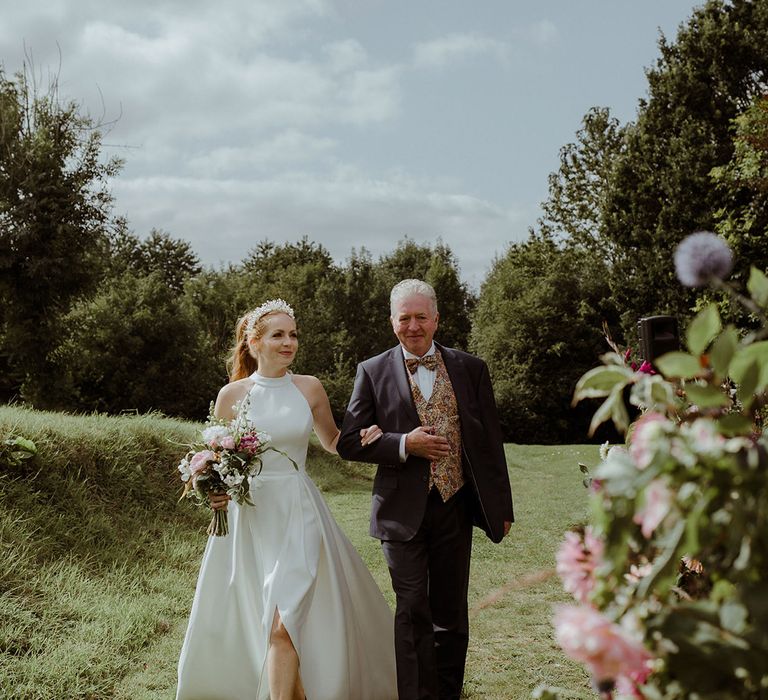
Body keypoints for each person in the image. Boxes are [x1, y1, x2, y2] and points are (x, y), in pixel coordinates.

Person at [176, 299, 397, 700]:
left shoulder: (309, 388)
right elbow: (215, 456)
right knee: (259, 621)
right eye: (278, 335)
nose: (289, 342)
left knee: (285, 619)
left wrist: (363, 439)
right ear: (254, 342)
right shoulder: (232, 395)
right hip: (250, 518)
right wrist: (214, 487)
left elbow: (332, 441)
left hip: (298, 511)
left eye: (293, 334)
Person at [337, 279, 514, 700]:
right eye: (405, 318)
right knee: (413, 607)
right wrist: (402, 443)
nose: (413, 326)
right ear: (392, 322)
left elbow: (490, 442)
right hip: (400, 511)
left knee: (451, 613)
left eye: (421, 317)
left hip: (455, 505)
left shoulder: (471, 369)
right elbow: (349, 441)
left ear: (437, 319)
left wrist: (502, 507)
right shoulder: (372, 371)